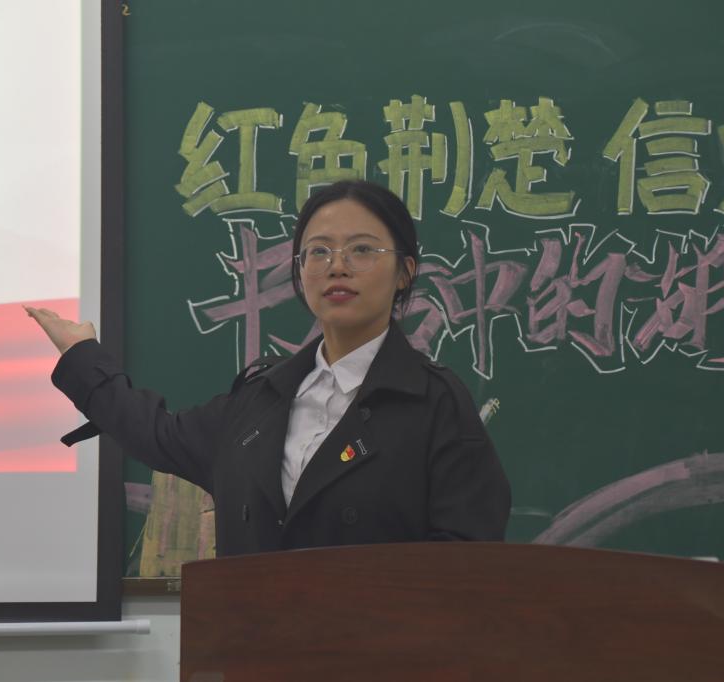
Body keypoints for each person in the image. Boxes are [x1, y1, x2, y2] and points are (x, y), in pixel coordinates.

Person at [26, 180, 510, 556]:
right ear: (300, 270)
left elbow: (467, 561)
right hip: (255, 643)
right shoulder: (261, 400)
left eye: (362, 249)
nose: (337, 266)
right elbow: (158, 434)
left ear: (405, 271)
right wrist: (82, 353)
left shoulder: (435, 403)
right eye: (318, 251)